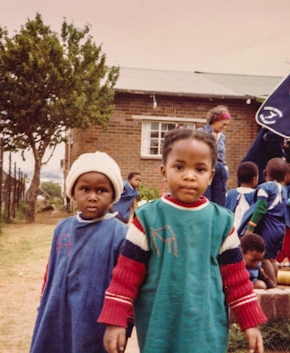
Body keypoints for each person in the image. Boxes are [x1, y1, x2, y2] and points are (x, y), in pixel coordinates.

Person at [98, 128, 266, 353]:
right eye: (179, 167)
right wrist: (116, 319)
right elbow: (126, 275)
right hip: (160, 327)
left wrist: (250, 324)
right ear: (164, 171)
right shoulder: (147, 218)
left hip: (207, 328)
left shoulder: (222, 222)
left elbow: (237, 279)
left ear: (211, 175)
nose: (189, 175)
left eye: (199, 169)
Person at [30, 151, 130, 353]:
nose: (92, 197)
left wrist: (120, 320)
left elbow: (125, 282)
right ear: (73, 192)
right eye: (85, 189)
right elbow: (52, 270)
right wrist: (44, 300)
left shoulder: (120, 233)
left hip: (93, 315)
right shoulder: (62, 228)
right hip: (56, 309)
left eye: (101, 190)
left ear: (113, 196)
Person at [243, 157, 288, 287]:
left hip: (268, 227)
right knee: (273, 259)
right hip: (280, 227)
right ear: (285, 177)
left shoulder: (265, 188)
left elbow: (261, 208)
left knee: (265, 258)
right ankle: (276, 284)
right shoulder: (283, 189)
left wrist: (250, 227)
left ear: (264, 173)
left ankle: (273, 286)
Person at [197, 105, 231, 206]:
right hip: (206, 170)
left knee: (219, 204)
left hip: (220, 173)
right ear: (216, 119)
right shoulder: (201, 132)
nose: (224, 128)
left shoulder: (222, 137)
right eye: (223, 124)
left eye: (226, 125)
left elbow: (222, 157)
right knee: (205, 201)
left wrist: (225, 170)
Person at [225, 161, 259, 231]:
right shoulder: (257, 195)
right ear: (254, 178)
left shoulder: (229, 194)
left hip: (230, 232)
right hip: (247, 232)